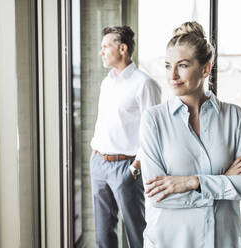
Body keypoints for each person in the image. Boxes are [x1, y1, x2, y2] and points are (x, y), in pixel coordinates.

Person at [139, 21, 241, 248]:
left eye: (183, 65)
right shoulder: (154, 120)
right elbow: (158, 195)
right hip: (170, 241)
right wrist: (226, 181)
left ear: (205, 69)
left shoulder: (235, 117)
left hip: (224, 241)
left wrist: (192, 182)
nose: (173, 75)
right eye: (168, 66)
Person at [90, 25, 161, 248]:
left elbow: (153, 132)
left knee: (136, 232)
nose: (101, 52)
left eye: (105, 47)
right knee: (103, 236)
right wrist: (95, 152)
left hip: (127, 167)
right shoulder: (106, 82)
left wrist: (136, 166)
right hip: (100, 164)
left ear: (122, 48)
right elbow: (103, 121)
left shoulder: (145, 84)